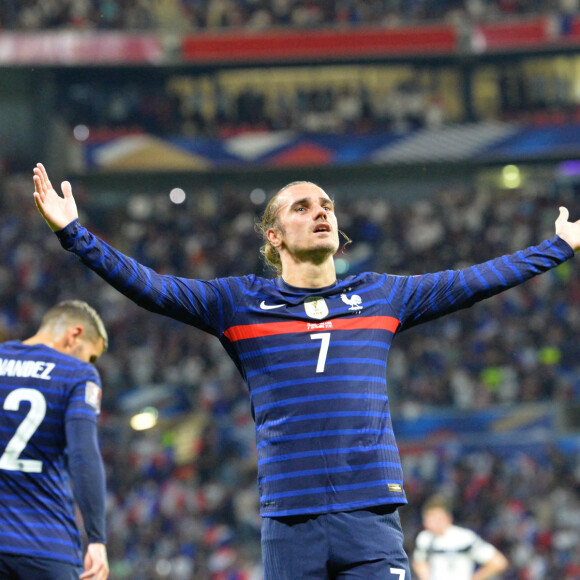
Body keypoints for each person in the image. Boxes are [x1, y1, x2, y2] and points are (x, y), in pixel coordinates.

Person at [32, 163, 580, 580]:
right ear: (273, 236)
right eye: (301, 208)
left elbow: (473, 280)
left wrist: (557, 248)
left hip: (371, 514)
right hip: (291, 523)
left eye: (326, 205)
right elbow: (153, 287)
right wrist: (74, 233)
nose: (320, 211)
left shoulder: (382, 295)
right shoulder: (238, 303)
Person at [0, 299, 110, 580]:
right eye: (91, 355)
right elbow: (83, 455)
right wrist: (97, 538)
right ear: (73, 336)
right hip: (48, 545)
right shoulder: (77, 374)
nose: (90, 363)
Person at [413, 494, 509, 580]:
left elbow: (498, 562)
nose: (429, 523)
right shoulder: (425, 539)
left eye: (435, 519)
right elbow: (419, 562)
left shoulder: (464, 538)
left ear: (447, 518)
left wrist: (475, 578)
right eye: (427, 519)